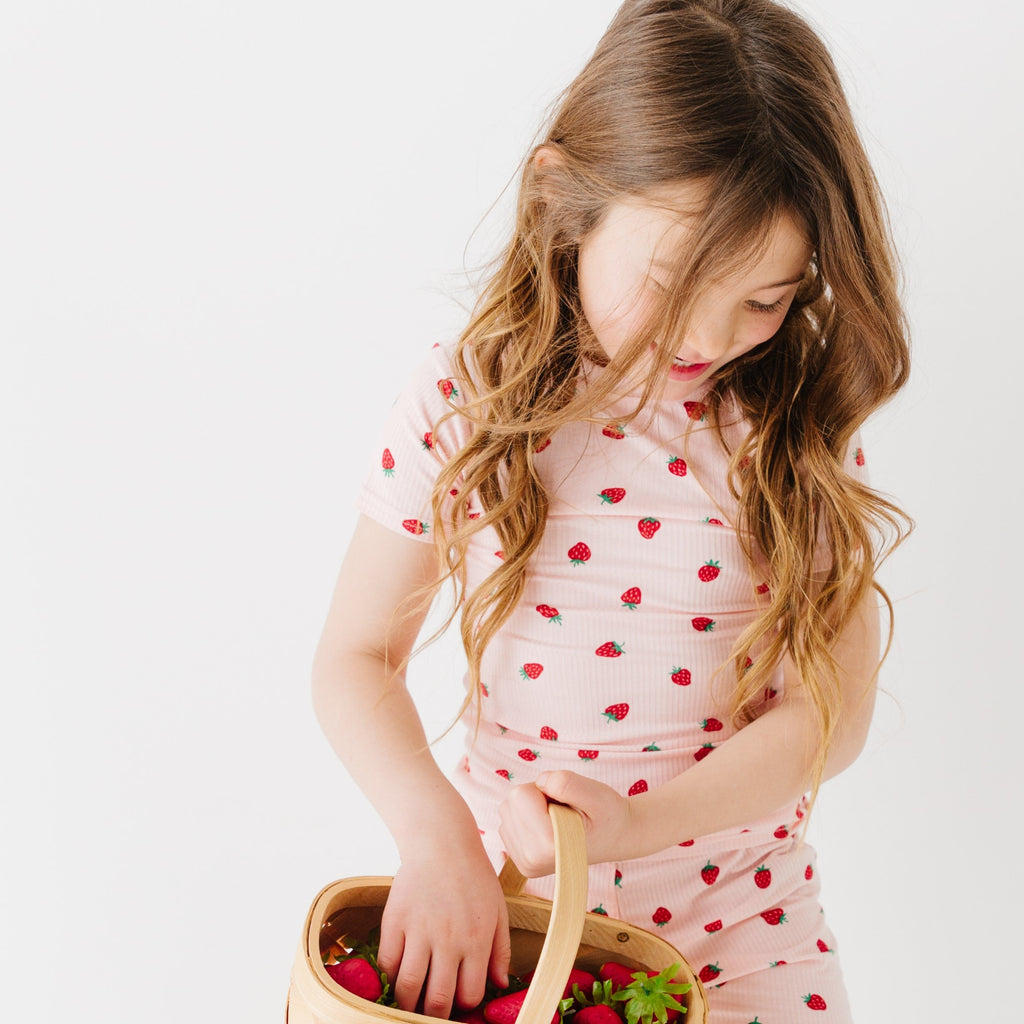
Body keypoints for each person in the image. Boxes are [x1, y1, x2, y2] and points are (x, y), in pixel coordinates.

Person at [311, 1, 913, 1021]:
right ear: (565, 200)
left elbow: (828, 716)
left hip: (746, 924)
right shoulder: (468, 398)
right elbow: (353, 657)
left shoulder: (795, 423)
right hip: (522, 921)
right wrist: (436, 836)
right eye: (674, 281)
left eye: (764, 298)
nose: (710, 335)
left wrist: (637, 825)